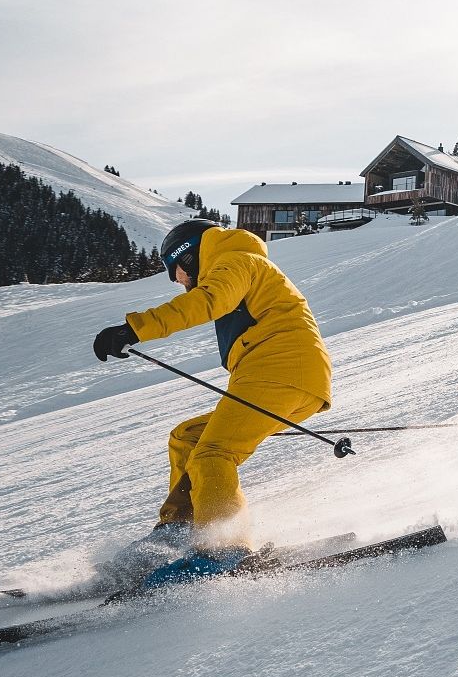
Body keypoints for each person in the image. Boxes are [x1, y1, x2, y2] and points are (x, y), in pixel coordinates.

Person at [93, 218, 333, 586]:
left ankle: (225, 550)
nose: (179, 282)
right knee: (188, 438)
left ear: (188, 257)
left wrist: (134, 328)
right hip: (287, 376)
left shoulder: (236, 260)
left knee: (214, 453)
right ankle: (177, 532)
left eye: (176, 273)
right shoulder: (242, 262)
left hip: (281, 370)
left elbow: (207, 301)